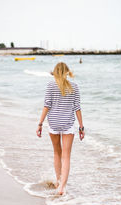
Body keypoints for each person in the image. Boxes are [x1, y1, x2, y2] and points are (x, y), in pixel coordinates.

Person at [36, 62, 85, 195]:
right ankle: (62, 187)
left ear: (55, 72)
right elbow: (77, 108)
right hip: (68, 124)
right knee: (66, 156)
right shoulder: (74, 86)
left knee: (57, 153)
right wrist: (81, 126)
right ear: (67, 72)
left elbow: (47, 105)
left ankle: (58, 181)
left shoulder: (50, 86)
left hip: (53, 123)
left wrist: (40, 123)